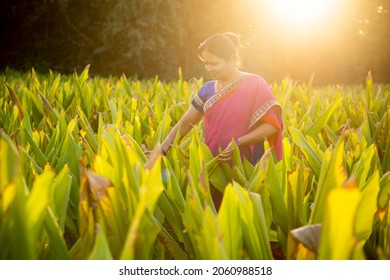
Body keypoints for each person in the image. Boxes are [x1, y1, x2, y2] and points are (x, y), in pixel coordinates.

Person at [156, 32, 283, 165]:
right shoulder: (207, 90)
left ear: (232, 59)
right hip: (212, 164)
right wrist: (161, 150)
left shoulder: (255, 84)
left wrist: (238, 143)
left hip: (246, 166)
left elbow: (272, 126)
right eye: (205, 63)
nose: (208, 68)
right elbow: (185, 123)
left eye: (214, 63)